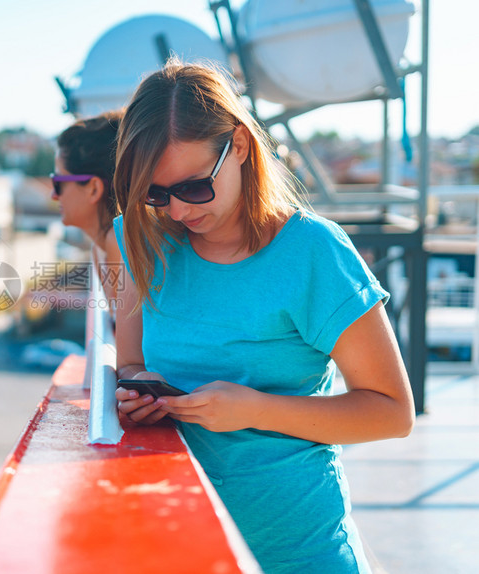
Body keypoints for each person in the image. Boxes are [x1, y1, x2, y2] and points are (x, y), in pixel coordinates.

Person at [111, 59, 414, 574]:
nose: (178, 212)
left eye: (193, 187)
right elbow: (130, 363)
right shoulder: (139, 236)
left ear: (241, 146)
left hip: (298, 553)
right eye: (156, 194)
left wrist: (253, 409)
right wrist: (138, 389)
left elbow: (392, 412)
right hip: (175, 544)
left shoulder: (312, 252)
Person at [52, 111, 123, 304]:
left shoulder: (118, 242)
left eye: (58, 182)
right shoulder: (100, 249)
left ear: (93, 189)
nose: (54, 195)